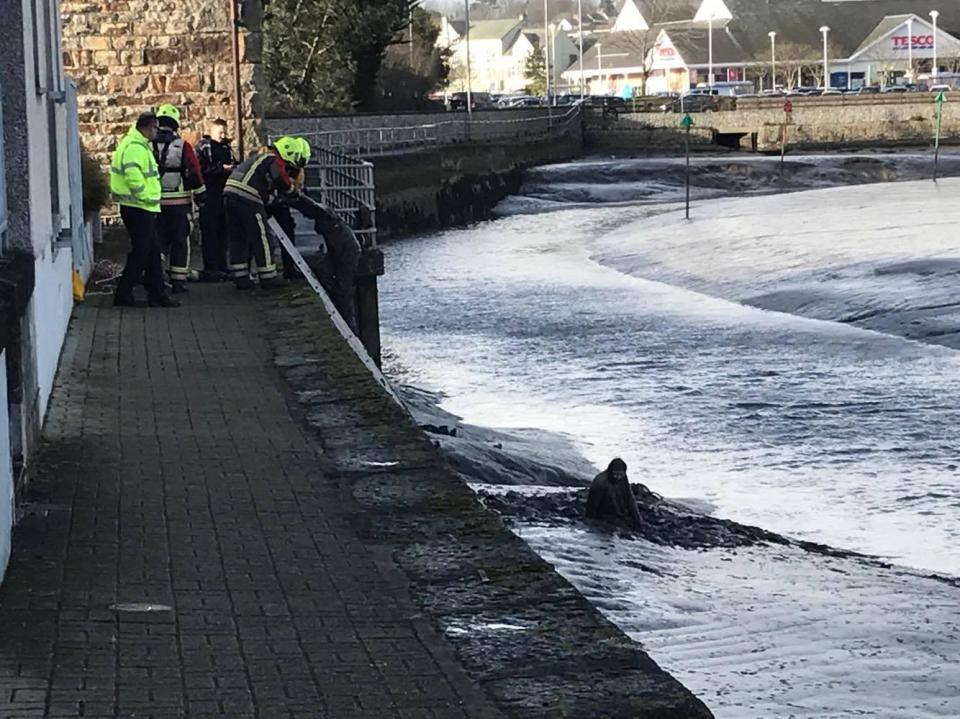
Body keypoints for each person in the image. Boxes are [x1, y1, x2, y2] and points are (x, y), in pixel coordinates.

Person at [110, 112, 178, 308]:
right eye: (155, 128)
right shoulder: (134, 148)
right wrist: (146, 197)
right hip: (139, 207)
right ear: (148, 127)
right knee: (142, 253)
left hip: (141, 207)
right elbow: (133, 176)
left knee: (151, 252)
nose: (157, 132)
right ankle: (124, 294)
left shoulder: (136, 145)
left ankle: (156, 294)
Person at [222, 136, 302, 289]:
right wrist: (292, 192)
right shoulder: (274, 159)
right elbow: (280, 178)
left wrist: (272, 199)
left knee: (238, 237)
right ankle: (268, 276)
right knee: (262, 235)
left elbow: (265, 187)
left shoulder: (260, 159)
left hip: (230, 193)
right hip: (248, 196)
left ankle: (240, 277)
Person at [153, 104, 206, 293]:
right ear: (176, 123)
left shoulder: (147, 144)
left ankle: (156, 279)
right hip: (179, 204)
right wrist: (201, 195)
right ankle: (178, 282)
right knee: (180, 242)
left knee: (157, 242)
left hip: (154, 203)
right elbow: (194, 172)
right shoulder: (183, 146)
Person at [196, 118, 236, 280]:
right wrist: (221, 169)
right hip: (209, 194)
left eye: (224, 132)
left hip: (223, 195)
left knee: (222, 233)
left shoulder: (227, 147)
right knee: (210, 233)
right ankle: (211, 267)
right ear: (211, 131)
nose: (222, 135)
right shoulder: (204, 147)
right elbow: (200, 169)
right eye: (219, 132)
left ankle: (222, 265)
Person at [585, 458, 643, 529]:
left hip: (618, 513)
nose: (618, 477)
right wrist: (590, 521)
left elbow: (629, 498)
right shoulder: (600, 481)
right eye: (615, 474)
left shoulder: (623, 477)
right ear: (611, 471)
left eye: (620, 474)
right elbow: (592, 504)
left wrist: (638, 520)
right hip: (604, 514)